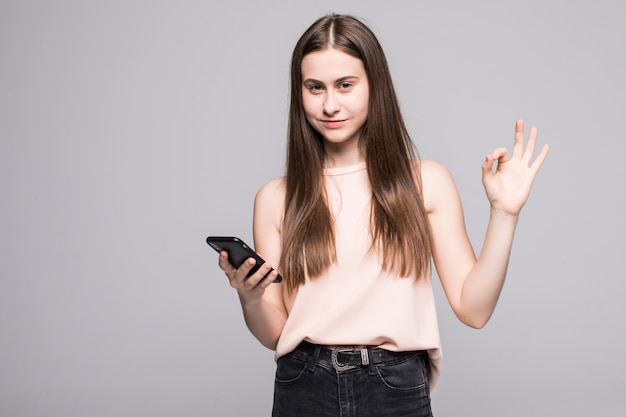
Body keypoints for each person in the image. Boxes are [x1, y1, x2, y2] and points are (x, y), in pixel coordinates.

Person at [217, 13, 549, 417]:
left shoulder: (426, 181)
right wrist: (250, 297)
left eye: (345, 85)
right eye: (314, 87)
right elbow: (273, 333)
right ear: (298, 92)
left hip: (394, 387)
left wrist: (504, 213)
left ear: (375, 86)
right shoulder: (275, 197)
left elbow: (473, 310)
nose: (330, 104)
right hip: (303, 383)